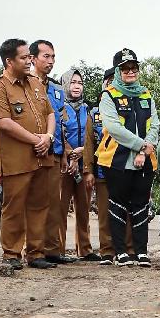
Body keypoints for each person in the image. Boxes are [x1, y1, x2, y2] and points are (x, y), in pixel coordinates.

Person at [0, 38, 56, 270]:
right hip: (16, 159)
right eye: (23, 57)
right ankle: (11, 253)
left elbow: (50, 113)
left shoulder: (35, 83)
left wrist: (48, 137)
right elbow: (4, 123)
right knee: (13, 207)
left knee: (39, 205)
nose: (29, 61)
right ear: (9, 61)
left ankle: (36, 253)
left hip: (42, 155)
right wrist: (36, 139)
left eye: (29, 57)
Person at [96, 48, 160, 267]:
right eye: (125, 68)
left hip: (145, 161)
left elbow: (155, 125)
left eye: (133, 67)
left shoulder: (146, 94)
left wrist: (143, 151)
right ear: (117, 71)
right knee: (117, 205)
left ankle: (141, 251)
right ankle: (121, 252)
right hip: (117, 160)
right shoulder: (109, 95)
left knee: (141, 205)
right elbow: (114, 128)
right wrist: (140, 146)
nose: (130, 72)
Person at [29, 38, 72, 265]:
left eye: (53, 57)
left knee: (54, 203)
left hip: (54, 151)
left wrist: (64, 152)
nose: (51, 61)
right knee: (37, 202)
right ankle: (35, 249)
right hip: (33, 150)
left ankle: (53, 249)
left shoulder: (56, 89)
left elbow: (61, 123)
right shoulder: (26, 84)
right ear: (33, 58)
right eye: (46, 56)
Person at [83, 69, 125, 264]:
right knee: (104, 212)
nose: (110, 85)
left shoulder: (128, 106)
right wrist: (88, 170)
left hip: (125, 169)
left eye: (113, 82)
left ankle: (127, 249)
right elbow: (89, 143)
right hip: (101, 171)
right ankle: (107, 250)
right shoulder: (95, 113)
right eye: (107, 82)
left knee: (127, 210)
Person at [60, 68, 98, 260]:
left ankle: (85, 249)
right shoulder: (59, 107)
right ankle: (57, 249)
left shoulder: (88, 108)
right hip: (64, 165)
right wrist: (69, 155)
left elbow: (93, 135)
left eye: (80, 83)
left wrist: (83, 151)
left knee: (84, 208)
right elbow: (59, 133)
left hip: (84, 164)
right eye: (73, 82)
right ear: (66, 84)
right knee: (60, 208)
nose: (77, 86)